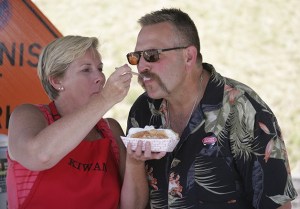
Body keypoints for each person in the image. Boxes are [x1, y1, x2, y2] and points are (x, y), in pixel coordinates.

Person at [126, 8, 298, 209]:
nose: (141, 67)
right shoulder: (143, 110)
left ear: (188, 56)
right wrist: (135, 163)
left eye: (152, 55)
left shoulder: (243, 109)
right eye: (136, 57)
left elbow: (277, 204)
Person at [6, 35, 164, 209]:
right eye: (86, 70)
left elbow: (133, 207)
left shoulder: (110, 130)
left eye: (100, 68)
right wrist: (105, 99)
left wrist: (135, 161)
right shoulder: (29, 115)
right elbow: (39, 156)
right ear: (56, 80)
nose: (100, 78)